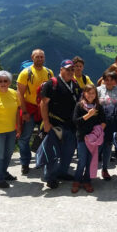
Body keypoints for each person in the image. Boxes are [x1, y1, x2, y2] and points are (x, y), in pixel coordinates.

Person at [40, 59, 82, 189]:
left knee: (68, 151)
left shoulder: (74, 84)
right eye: (67, 69)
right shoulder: (51, 84)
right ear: (61, 69)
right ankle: (51, 177)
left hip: (70, 125)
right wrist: (46, 122)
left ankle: (62, 172)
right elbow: (43, 104)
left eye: (72, 69)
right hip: (55, 124)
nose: (70, 72)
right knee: (52, 151)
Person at [16, 48, 54, 175]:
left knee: (46, 137)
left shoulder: (49, 73)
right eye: (37, 57)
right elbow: (19, 94)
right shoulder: (25, 73)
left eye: (41, 57)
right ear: (32, 58)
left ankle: (43, 161)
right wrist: (25, 112)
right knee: (24, 138)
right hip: (30, 108)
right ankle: (25, 162)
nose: (40, 59)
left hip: (44, 109)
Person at [72, 84, 106, 193]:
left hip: (93, 139)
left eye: (93, 93)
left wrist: (98, 132)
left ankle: (87, 180)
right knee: (82, 160)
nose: (91, 95)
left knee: (90, 160)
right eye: (88, 93)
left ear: (96, 94)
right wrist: (89, 115)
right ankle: (77, 180)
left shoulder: (98, 107)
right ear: (84, 93)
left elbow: (103, 121)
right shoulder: (79, 106)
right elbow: (76, 122)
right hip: (82, 138)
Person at [97, 70, 117, 181]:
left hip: (112, 123)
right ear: (103, 80)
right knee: (97, 146)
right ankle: (91, 169)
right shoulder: (98, 90)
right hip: (98, 123)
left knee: (108, 146)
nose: (108, 82)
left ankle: (105, 169)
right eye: (106, 79)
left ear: (115, 81)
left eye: (111, 79)